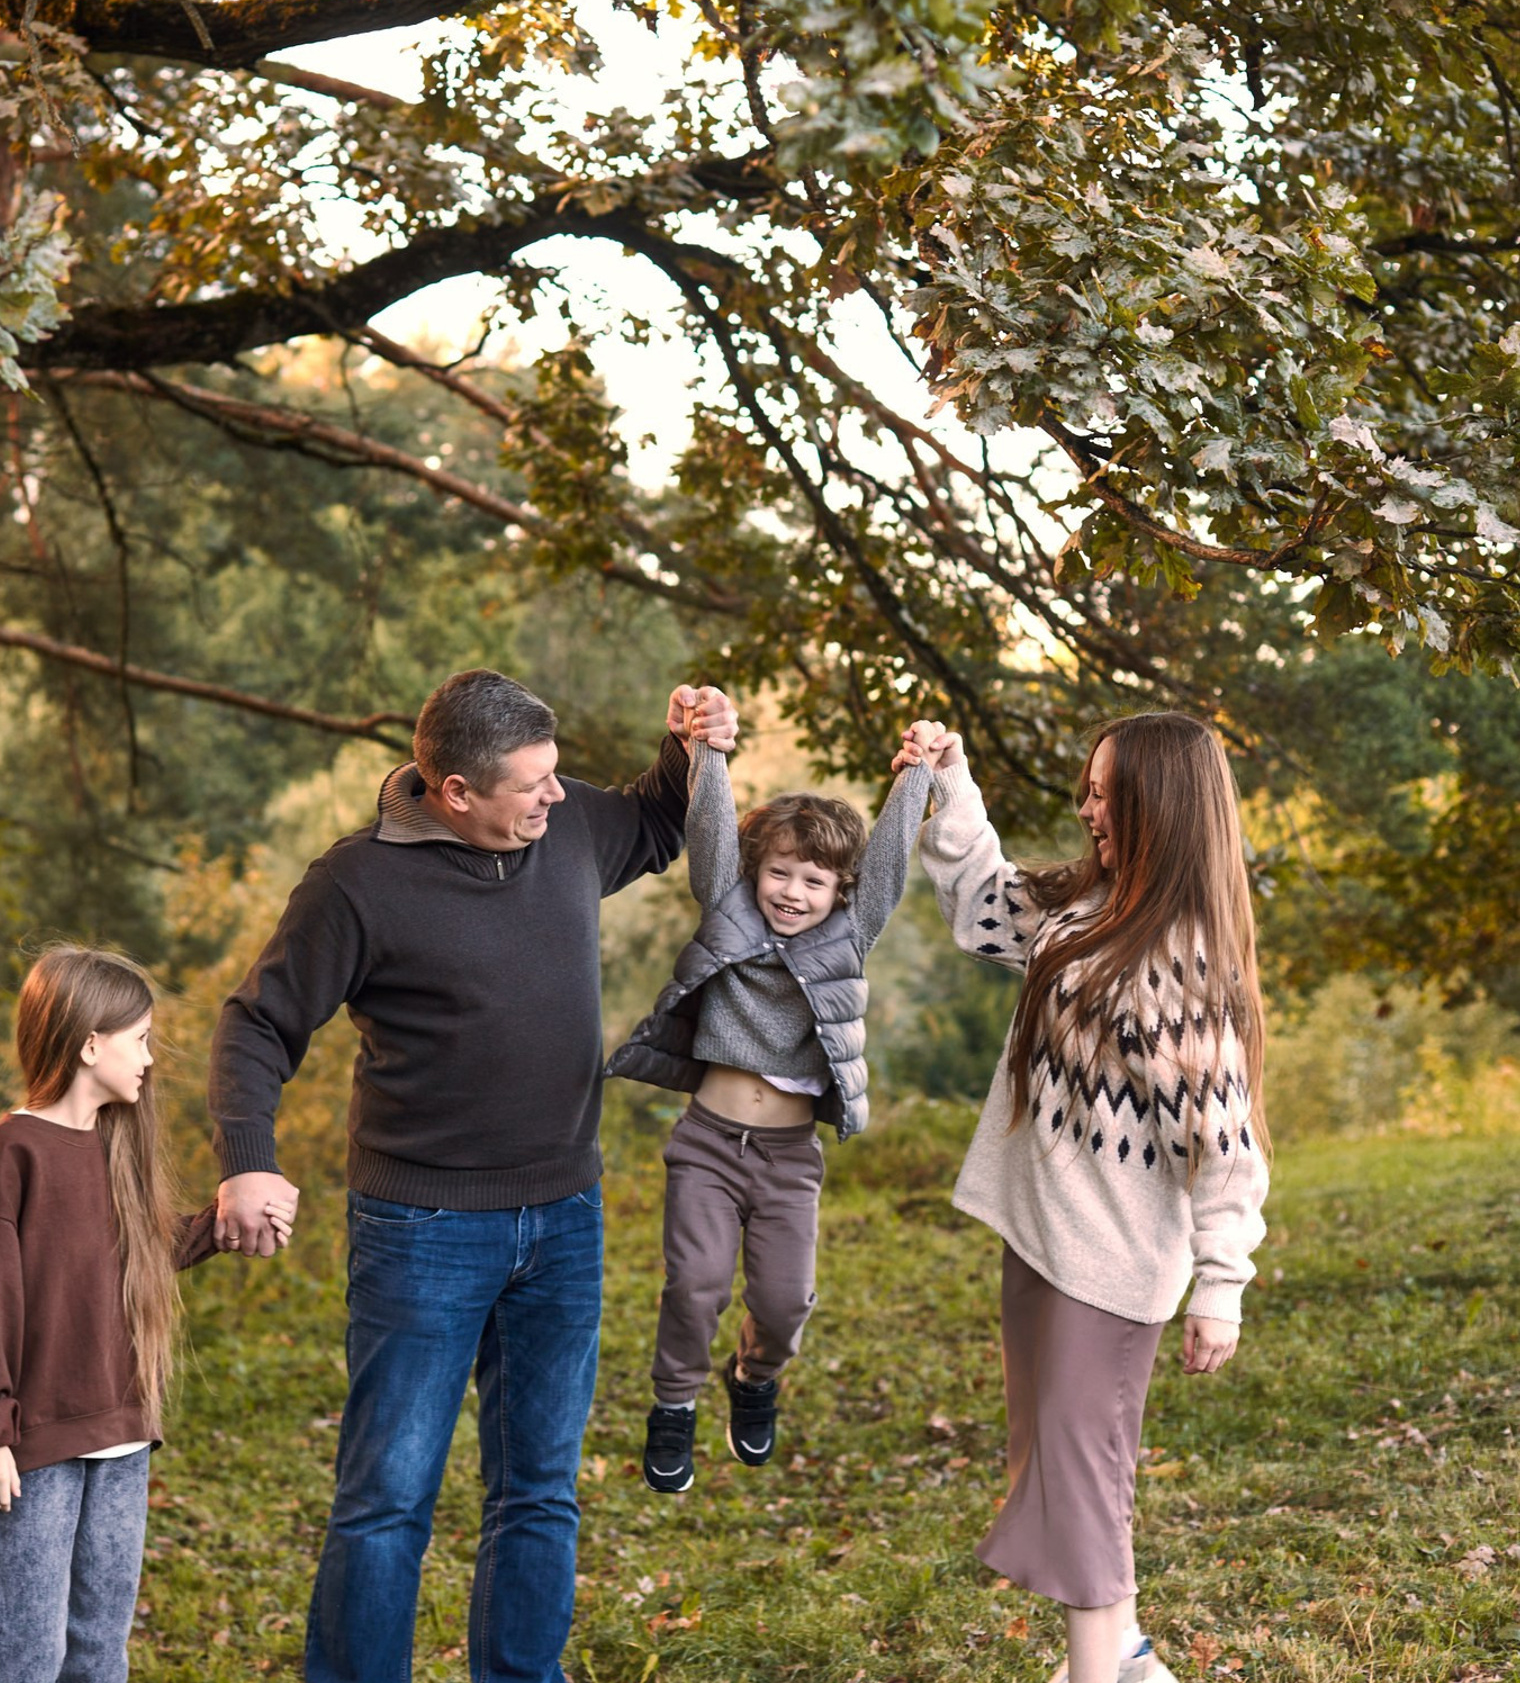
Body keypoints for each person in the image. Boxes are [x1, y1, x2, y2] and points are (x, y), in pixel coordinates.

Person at [207, 667, 738, 1683]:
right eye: (529, 785)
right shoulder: (355, 884)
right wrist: (247, 1163)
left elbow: (658, 823)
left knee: (539, 1490)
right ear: (454, 790)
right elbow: (256, 1025)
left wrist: (691, 740)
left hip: (565, 1218)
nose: (554, 797)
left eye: (556, 777)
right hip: (421, 1228)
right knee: (388, 1501)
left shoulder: (569, 824)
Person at [900, 714, 1270, 1683]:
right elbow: (983, 903)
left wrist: (1222, 1286)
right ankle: (1130, 1649)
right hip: (1043, 1239)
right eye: (1088, 789)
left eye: (1106, 792)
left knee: (1078, 1474)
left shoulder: (1176, 962)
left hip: (1107, 1267)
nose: (1088, 807)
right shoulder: (1087, 907)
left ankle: (1096, 1672)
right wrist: (951, 777)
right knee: (1060, 1462)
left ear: (1158, 807)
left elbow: (1226, 1146)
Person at [603, 729, 933, 1492]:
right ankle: (674, 1404)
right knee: (696, 1284)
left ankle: (753, 1378)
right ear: (755, 875)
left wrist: (916, 770)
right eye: (780, 873)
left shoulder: (850, 938)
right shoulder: (729, 912)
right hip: (709, 1146)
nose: (792, 892)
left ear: (840, 893)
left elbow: (886, 860)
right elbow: (713, 829)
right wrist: (705, 746)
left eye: (814, 881)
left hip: (788, 1161)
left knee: (785, 1303)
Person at [0, 946, 251, 1683]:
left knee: (99, 1656)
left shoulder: (112, 1150)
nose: (149, 1058)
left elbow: (125, 1254)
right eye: (140, 1039)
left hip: (120, 1441)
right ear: (90, 1042)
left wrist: (224, 1222)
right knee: (21, 1660)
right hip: (30, 1453)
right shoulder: (5, 1155)